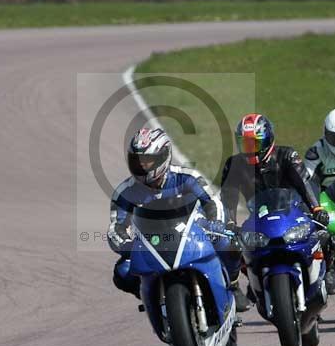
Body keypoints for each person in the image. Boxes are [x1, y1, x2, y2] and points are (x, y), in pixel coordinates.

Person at [106, 127, 249, 309]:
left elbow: (212, 202)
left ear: (163, 157)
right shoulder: (124, 192)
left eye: (147, 161)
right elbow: (116, 226)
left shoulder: (187, 178)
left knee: (228, 243)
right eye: (138, 161)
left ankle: (233, 286)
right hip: (151, 243)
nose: (142, 167)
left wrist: (216, 223)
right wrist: (125, 244)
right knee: (123, 271)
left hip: (193, 233)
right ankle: (151, 296)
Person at [219, 114, 335, 294]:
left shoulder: (287, 155)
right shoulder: (234, 164)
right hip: (259, 216)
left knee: (324, 233)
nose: (249, 149)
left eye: (254, 143)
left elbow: (304, 183)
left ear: (267, 141)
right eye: (245, 143)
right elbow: (228, 197)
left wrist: (316, 208)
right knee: (232, 245)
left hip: (294, 211)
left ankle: (329, 272)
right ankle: (240, 285)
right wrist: (230, 223)